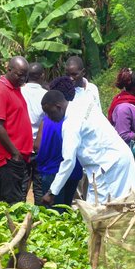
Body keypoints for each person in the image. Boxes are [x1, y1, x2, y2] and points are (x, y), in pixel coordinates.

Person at [41, 90, 135, 204]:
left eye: (49, 112)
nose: (49, 117)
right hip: (121, 157)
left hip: (108, 166)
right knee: (127, 204)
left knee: (97, 211)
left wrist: (52, 191)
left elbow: (68, 161)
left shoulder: (70, 124)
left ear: (58, 106)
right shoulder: (84, 104)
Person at [0, 56, 35, 203]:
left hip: (17, 156)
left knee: (14, 199)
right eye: (19, 75)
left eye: (25, 75)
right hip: (8, 157)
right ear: (9, 70)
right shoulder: (0, 91)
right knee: (12, 202)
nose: (23, 79)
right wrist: (15, 153)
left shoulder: (15, 89)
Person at [33, 77, 83, 206]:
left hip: (51, 172)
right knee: (67, 210)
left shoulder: (50, 120)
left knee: (54, 215)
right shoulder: (79, 114)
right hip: (75, 172)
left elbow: (37, 146)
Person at [21, 62, 48, 140]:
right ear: (42, 75)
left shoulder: (18, 92)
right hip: (39, 140)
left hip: (21, 140)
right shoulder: (46, 95)